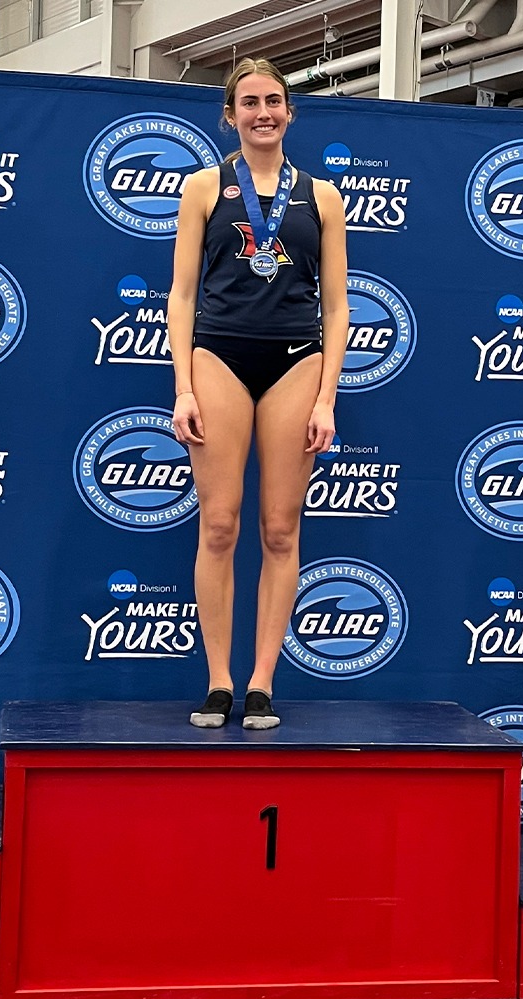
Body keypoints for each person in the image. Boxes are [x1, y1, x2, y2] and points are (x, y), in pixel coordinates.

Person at [167, 57, 348, 732]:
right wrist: (182, 384)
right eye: (250, 102)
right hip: (219, 354)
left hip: (296, 360)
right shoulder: (203, 188)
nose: (263, 112)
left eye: (274, 100)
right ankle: (219, 680)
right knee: (219, 525)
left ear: (290, 112)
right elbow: (182, 294)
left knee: (279, 528)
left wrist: (328, 397)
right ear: (230, 113)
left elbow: (337, 305)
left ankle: (263, 682)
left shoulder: (323, 196)